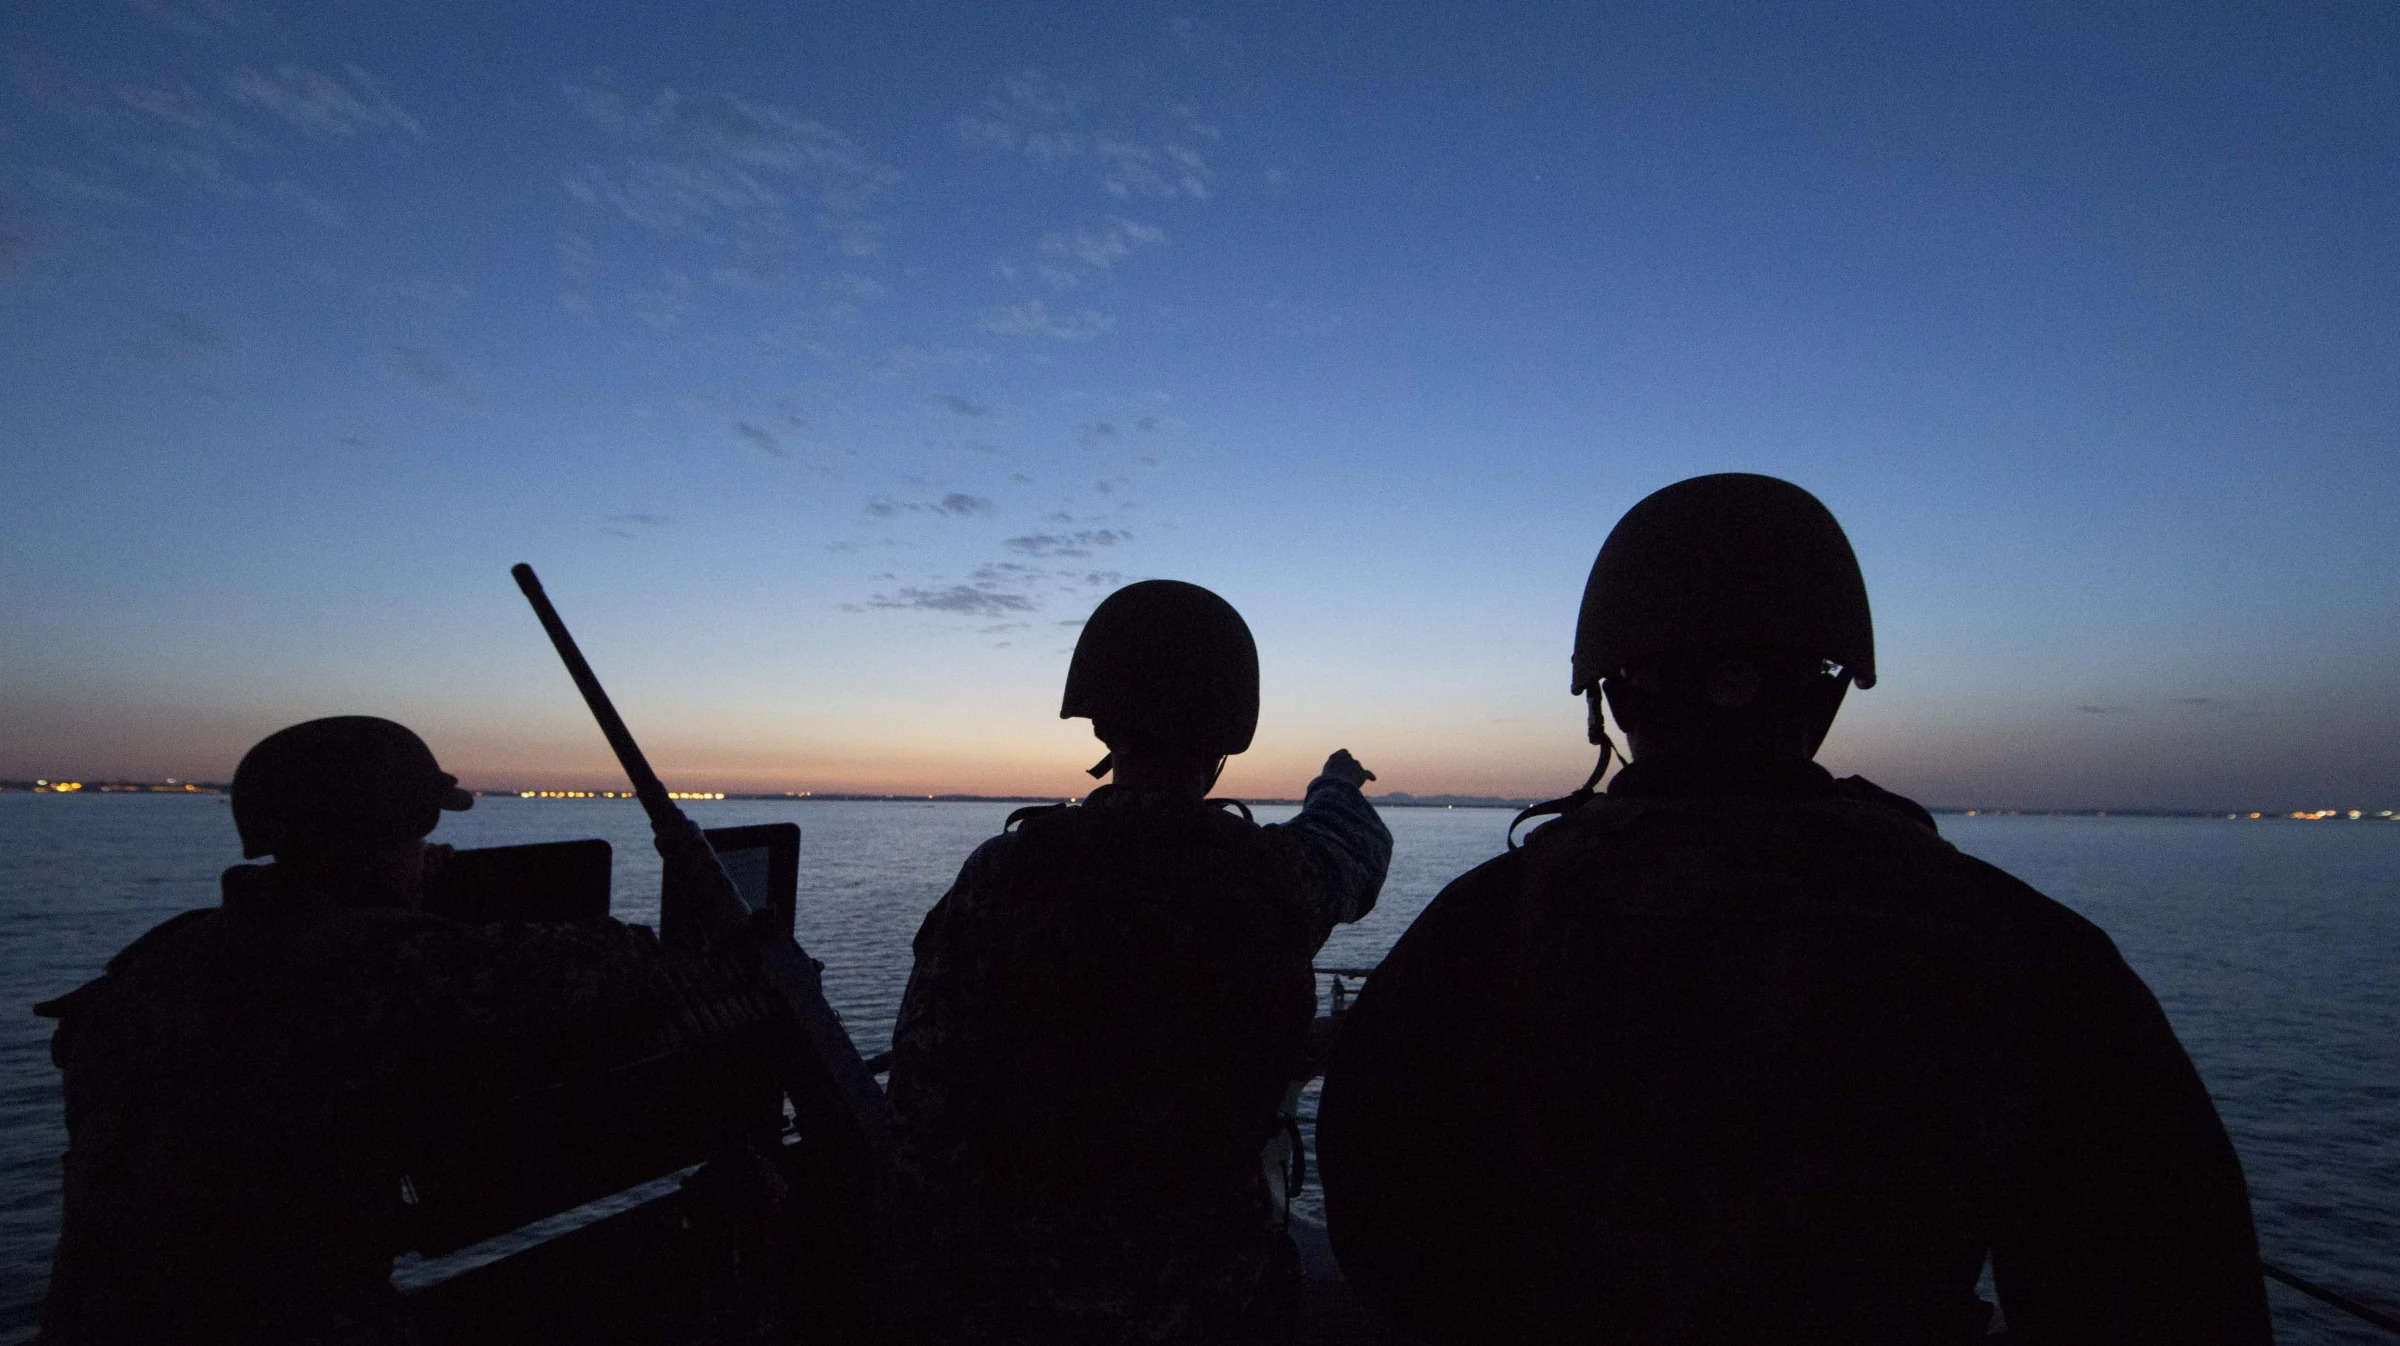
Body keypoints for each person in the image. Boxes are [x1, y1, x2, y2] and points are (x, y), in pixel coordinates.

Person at [1316, 475, 2272, 1344]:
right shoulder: (2022, 947)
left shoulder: (1481, 931)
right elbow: (2173, 1286)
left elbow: (1385, 1220)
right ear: (1829, 685)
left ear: (1610, 691)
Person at [35, 716, 699, 1345]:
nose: (428, 853)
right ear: (384, 838)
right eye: (416, 840)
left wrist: (395, 892)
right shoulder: (391, 965)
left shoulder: (164, 956)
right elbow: (611, 963)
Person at [886, 579, 1392, 1345]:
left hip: (1027, 1300)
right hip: (1217, 1296)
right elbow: (1350, 843)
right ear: (1226, 734)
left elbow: (926, 1099)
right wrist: (1336, 782)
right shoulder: (1272, 879)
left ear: (1102, 721)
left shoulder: (1004, 878)